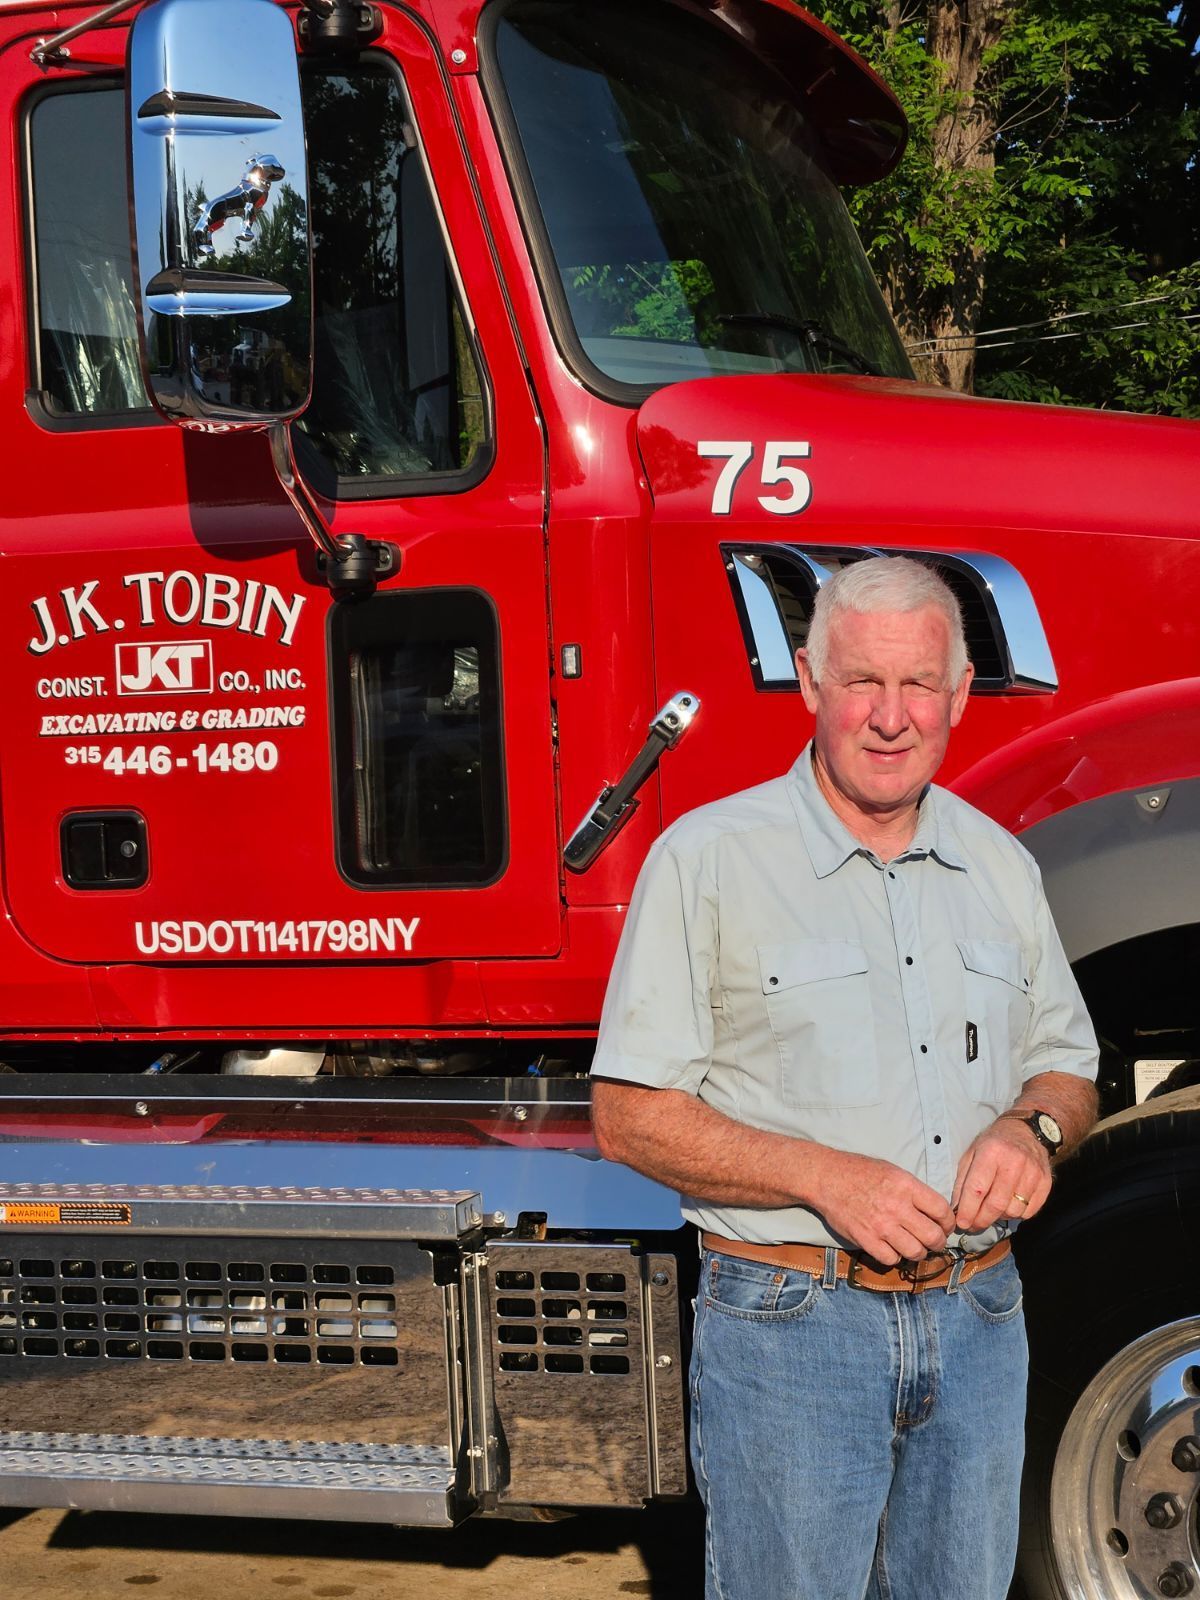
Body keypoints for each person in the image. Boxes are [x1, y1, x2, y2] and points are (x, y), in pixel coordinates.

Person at [590, 556, 1098, 1600]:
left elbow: (1067, 1067)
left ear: (960, 694)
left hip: (980, 1318)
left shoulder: (1003, 866)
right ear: (811, 683)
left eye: (919, 685)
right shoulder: (709, 859)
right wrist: (826, 1177)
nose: (892, 717)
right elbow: (629, 1117)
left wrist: (1033, 1130)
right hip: (793, 1327)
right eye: (863, 681)